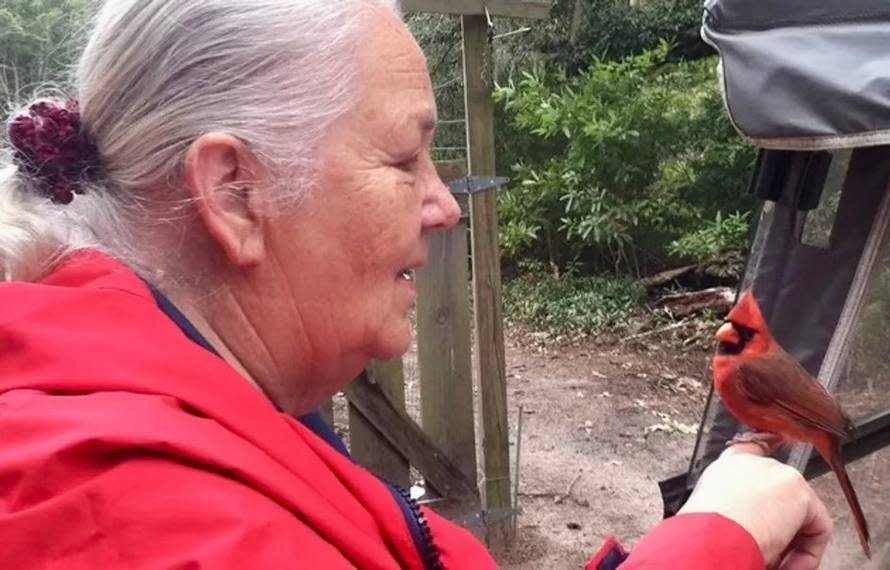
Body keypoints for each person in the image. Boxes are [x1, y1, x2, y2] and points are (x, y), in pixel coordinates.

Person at [0, 1, 833, 568]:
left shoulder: (166, 418)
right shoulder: (133, 507)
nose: (444, 204)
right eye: (403, 159)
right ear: (232, 193)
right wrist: (718, 539)